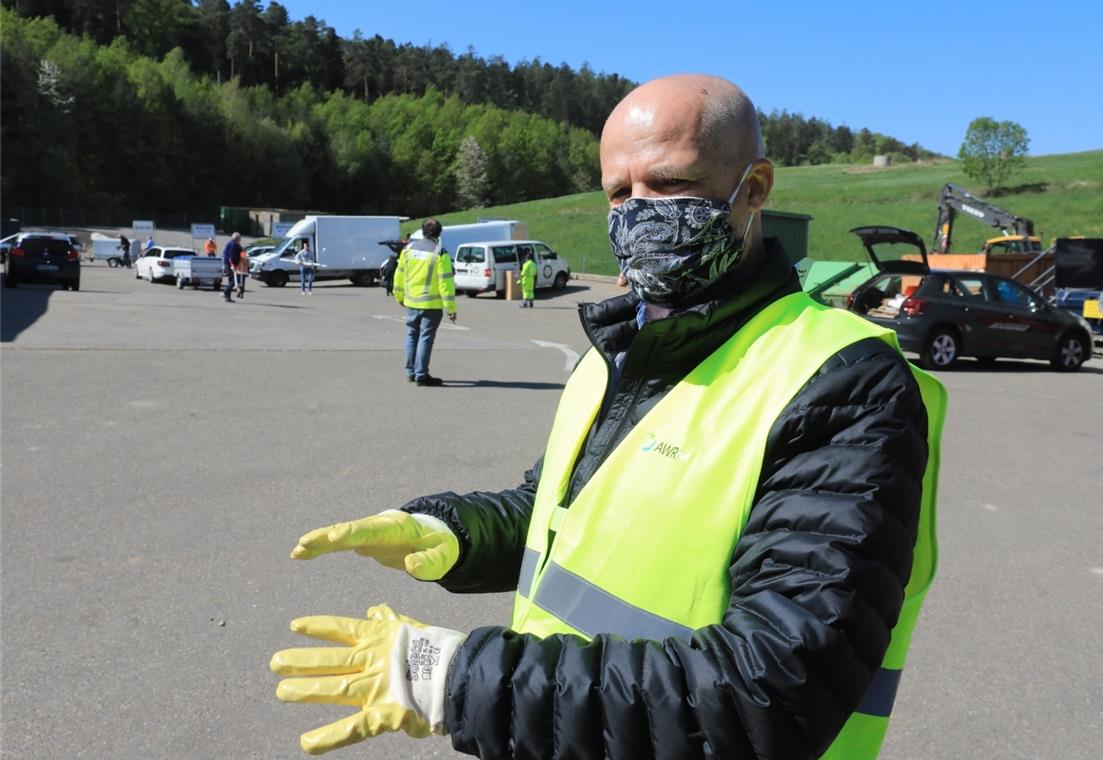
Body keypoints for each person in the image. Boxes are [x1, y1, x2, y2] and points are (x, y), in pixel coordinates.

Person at [272, 74, 947, 759]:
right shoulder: (616, 353)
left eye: (669, 183)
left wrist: (457, 680)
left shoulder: (843, 383)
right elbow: (554, 513)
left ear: (756, 187)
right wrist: (444, 529)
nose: (638, 212)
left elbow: (775, 686)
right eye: (619, 194)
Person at [391, 219, 456, 386]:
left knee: (412, 335)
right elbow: (445, 282)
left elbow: (399, 275)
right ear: (439, 233)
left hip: (411, 302)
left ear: (422, 231)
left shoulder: (408, 249)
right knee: (425, 338)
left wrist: (399, 296)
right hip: (431, 305)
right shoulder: (440, 253)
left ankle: (410, 372)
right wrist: (451, 308)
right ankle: (421, 374)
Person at [221, 232, 241, 303]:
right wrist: (233, 265)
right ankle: (225, 292)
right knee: (234, 281)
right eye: (239, 238)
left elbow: (225, 253)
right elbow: (231, 256)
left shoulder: (232, 243)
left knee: (230, 281)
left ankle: (227, 297)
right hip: (230, 265)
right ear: (237, 238)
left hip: (228, 264)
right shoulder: (233, 244)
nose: (240, 239)